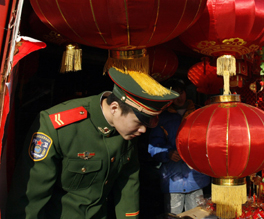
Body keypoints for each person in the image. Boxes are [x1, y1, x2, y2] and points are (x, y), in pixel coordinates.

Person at [6, 68, 179, 219]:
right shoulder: (58, 127)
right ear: (114, 108)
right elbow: (29, 198)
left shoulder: (127, 132)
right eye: (139, 122)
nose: (142, 130)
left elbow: (128, 181)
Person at [148, 79, 210, 215]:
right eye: (174, 93)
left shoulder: (199, 113)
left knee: (196, 216)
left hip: (196, 178)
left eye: (181, 92)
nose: (179, 97)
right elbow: (153, 147)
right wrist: (168, 154)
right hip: (172, 180)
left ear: (186, 93)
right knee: (173, 215)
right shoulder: (162, 117)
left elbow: (209, 141)